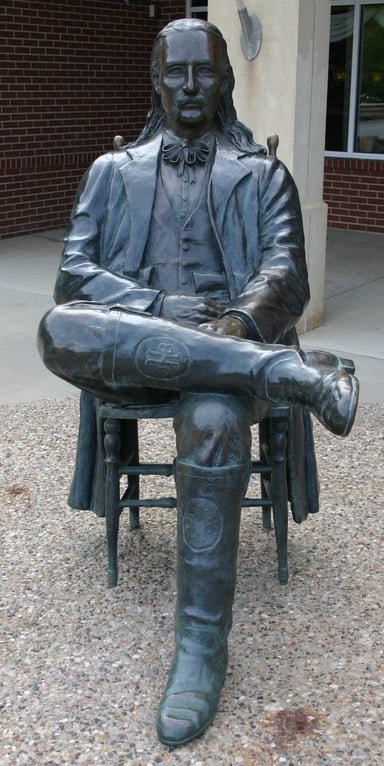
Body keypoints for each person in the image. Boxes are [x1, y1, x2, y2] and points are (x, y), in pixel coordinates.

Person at [38, 18, 358, 747]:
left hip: (228, 353)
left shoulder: (263, 174)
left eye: (204, 72)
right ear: (155, 80)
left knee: (214, 418)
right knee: (56, 327)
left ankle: (200, 649)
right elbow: (74, 276)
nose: (189, 87)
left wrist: (241, 325)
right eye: (175, 72)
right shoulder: (111, 171)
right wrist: (152, 305)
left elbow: (287, 273)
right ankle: (293, 376)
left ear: (226, 80)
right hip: (135, 351)